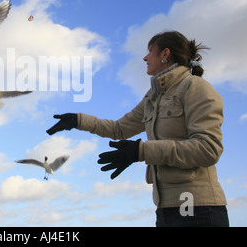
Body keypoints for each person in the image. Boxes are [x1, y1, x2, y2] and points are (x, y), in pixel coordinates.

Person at [46, 30, 229, 227]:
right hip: (165, 209)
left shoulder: (195, 87)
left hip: (199, 209)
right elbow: (119, 129)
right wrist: (78, 121)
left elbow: (208, 149)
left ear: (165, 54)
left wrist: (141, 151)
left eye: (150, 51)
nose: (145, 57)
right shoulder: (153, 96)